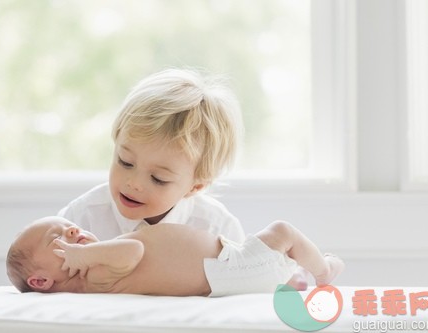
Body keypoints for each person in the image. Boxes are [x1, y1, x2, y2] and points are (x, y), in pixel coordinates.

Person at [58, 68, 308, 289]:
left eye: (158, 178)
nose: (134, 182)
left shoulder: (215, 227)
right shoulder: (82, 218)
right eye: (125, 162)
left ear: (195, 186)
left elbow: (241, 284)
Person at [6, 216, 345, 296]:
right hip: (231, 267)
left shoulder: (94, 265)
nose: (72, 233)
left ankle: (292, 276)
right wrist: (85, 254)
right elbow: (134, 250)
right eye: (58, 237)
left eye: (71, 226)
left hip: (230, 262)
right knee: (283, 232)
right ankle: (323, 270)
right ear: (41, 280)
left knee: (278, 245)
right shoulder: (90, 276)